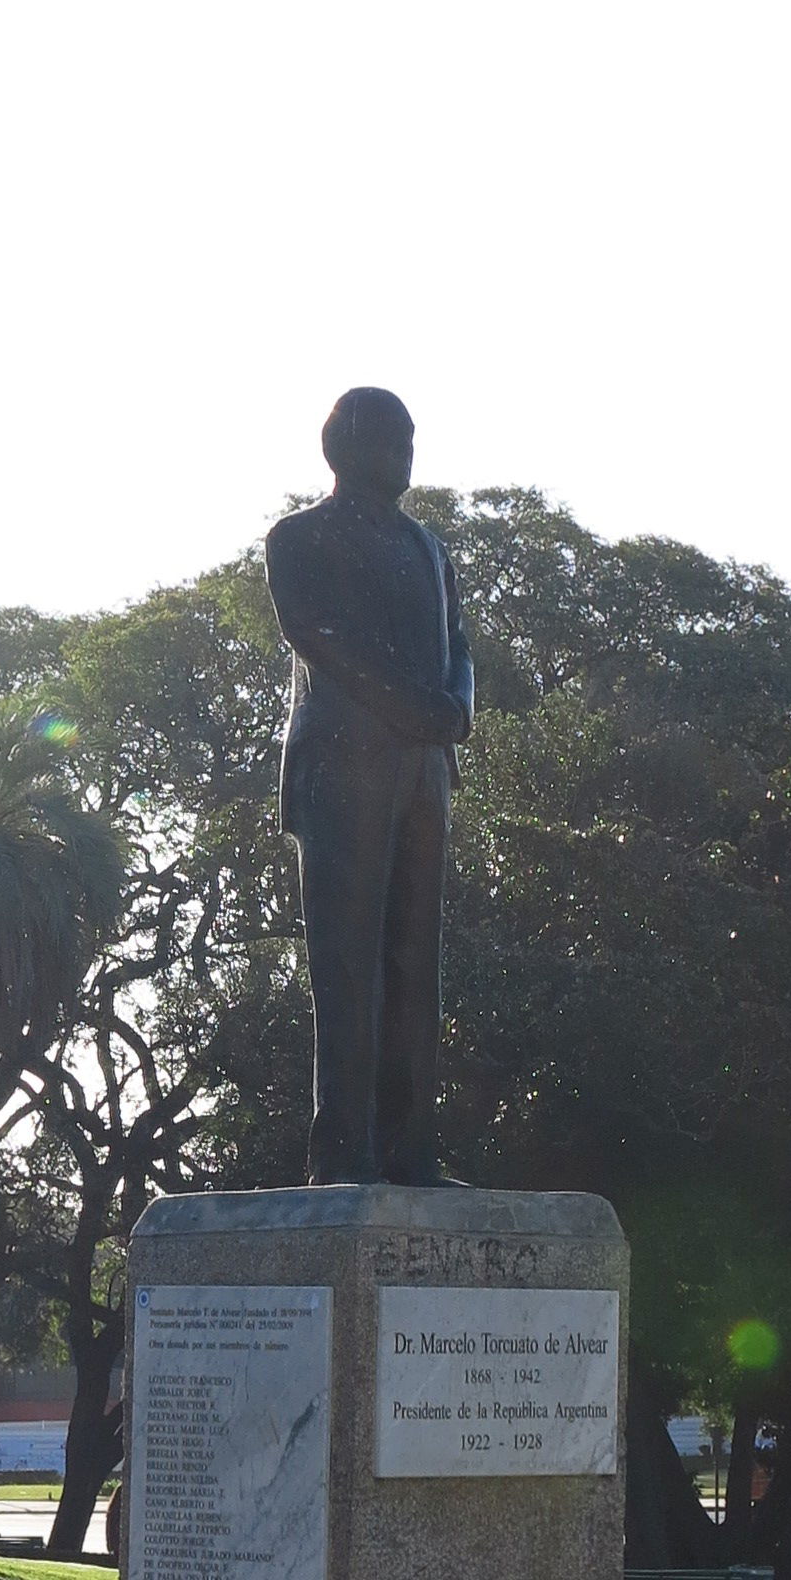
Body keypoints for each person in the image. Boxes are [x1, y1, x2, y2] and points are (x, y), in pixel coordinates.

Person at [263, 387, 475, 1183]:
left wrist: (457, 708)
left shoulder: (430, 547)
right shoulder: (301, 537)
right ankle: (343, 1152)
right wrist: (413, 704)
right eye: (395, 438)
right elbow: (317, 634)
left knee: (416, 962)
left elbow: (459, 645)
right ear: (348, 445)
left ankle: (410, 1150)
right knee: (347, 963)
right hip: (342, 765)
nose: (408, 451)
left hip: (425, 767)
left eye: (412, 438)